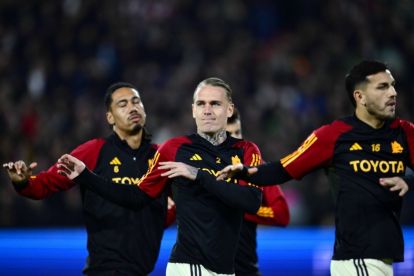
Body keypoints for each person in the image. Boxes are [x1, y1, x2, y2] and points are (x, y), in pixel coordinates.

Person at [218, 60, 414, 276]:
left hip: (385, 258)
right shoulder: (333, 136)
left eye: (392, 85)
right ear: (360, 97)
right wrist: (245, 172)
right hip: (357, 259)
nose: (393, 92)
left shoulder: (404, 133)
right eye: (382, 87)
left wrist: (408, 181)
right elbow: (284, 168)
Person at [57, 77, 263, 276]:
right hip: (188, 266)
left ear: (229, 109)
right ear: (193, 110)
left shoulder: (247, 150)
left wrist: (198, 175)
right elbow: (136, 196)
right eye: (201, 104)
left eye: (215, 104)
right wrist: (86, 176)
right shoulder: (174, 149)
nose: (207, 110)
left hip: (226, 269)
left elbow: (252, 201)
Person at [3, 82, 175, 275]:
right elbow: (45, 184)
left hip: (142, 270)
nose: (132, 107)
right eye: (122, 104)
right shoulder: (93, 151)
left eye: (136, 101)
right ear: (110, 117)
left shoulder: (162, 157)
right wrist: (24, 182)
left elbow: (159, 217)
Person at [226, 109, 290, 276]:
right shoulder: (201, 167)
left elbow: (281, 214)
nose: (236, 139)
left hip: (245, 270)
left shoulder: (254, 168)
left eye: (238, 132)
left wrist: (244, 208)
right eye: (228, 134)